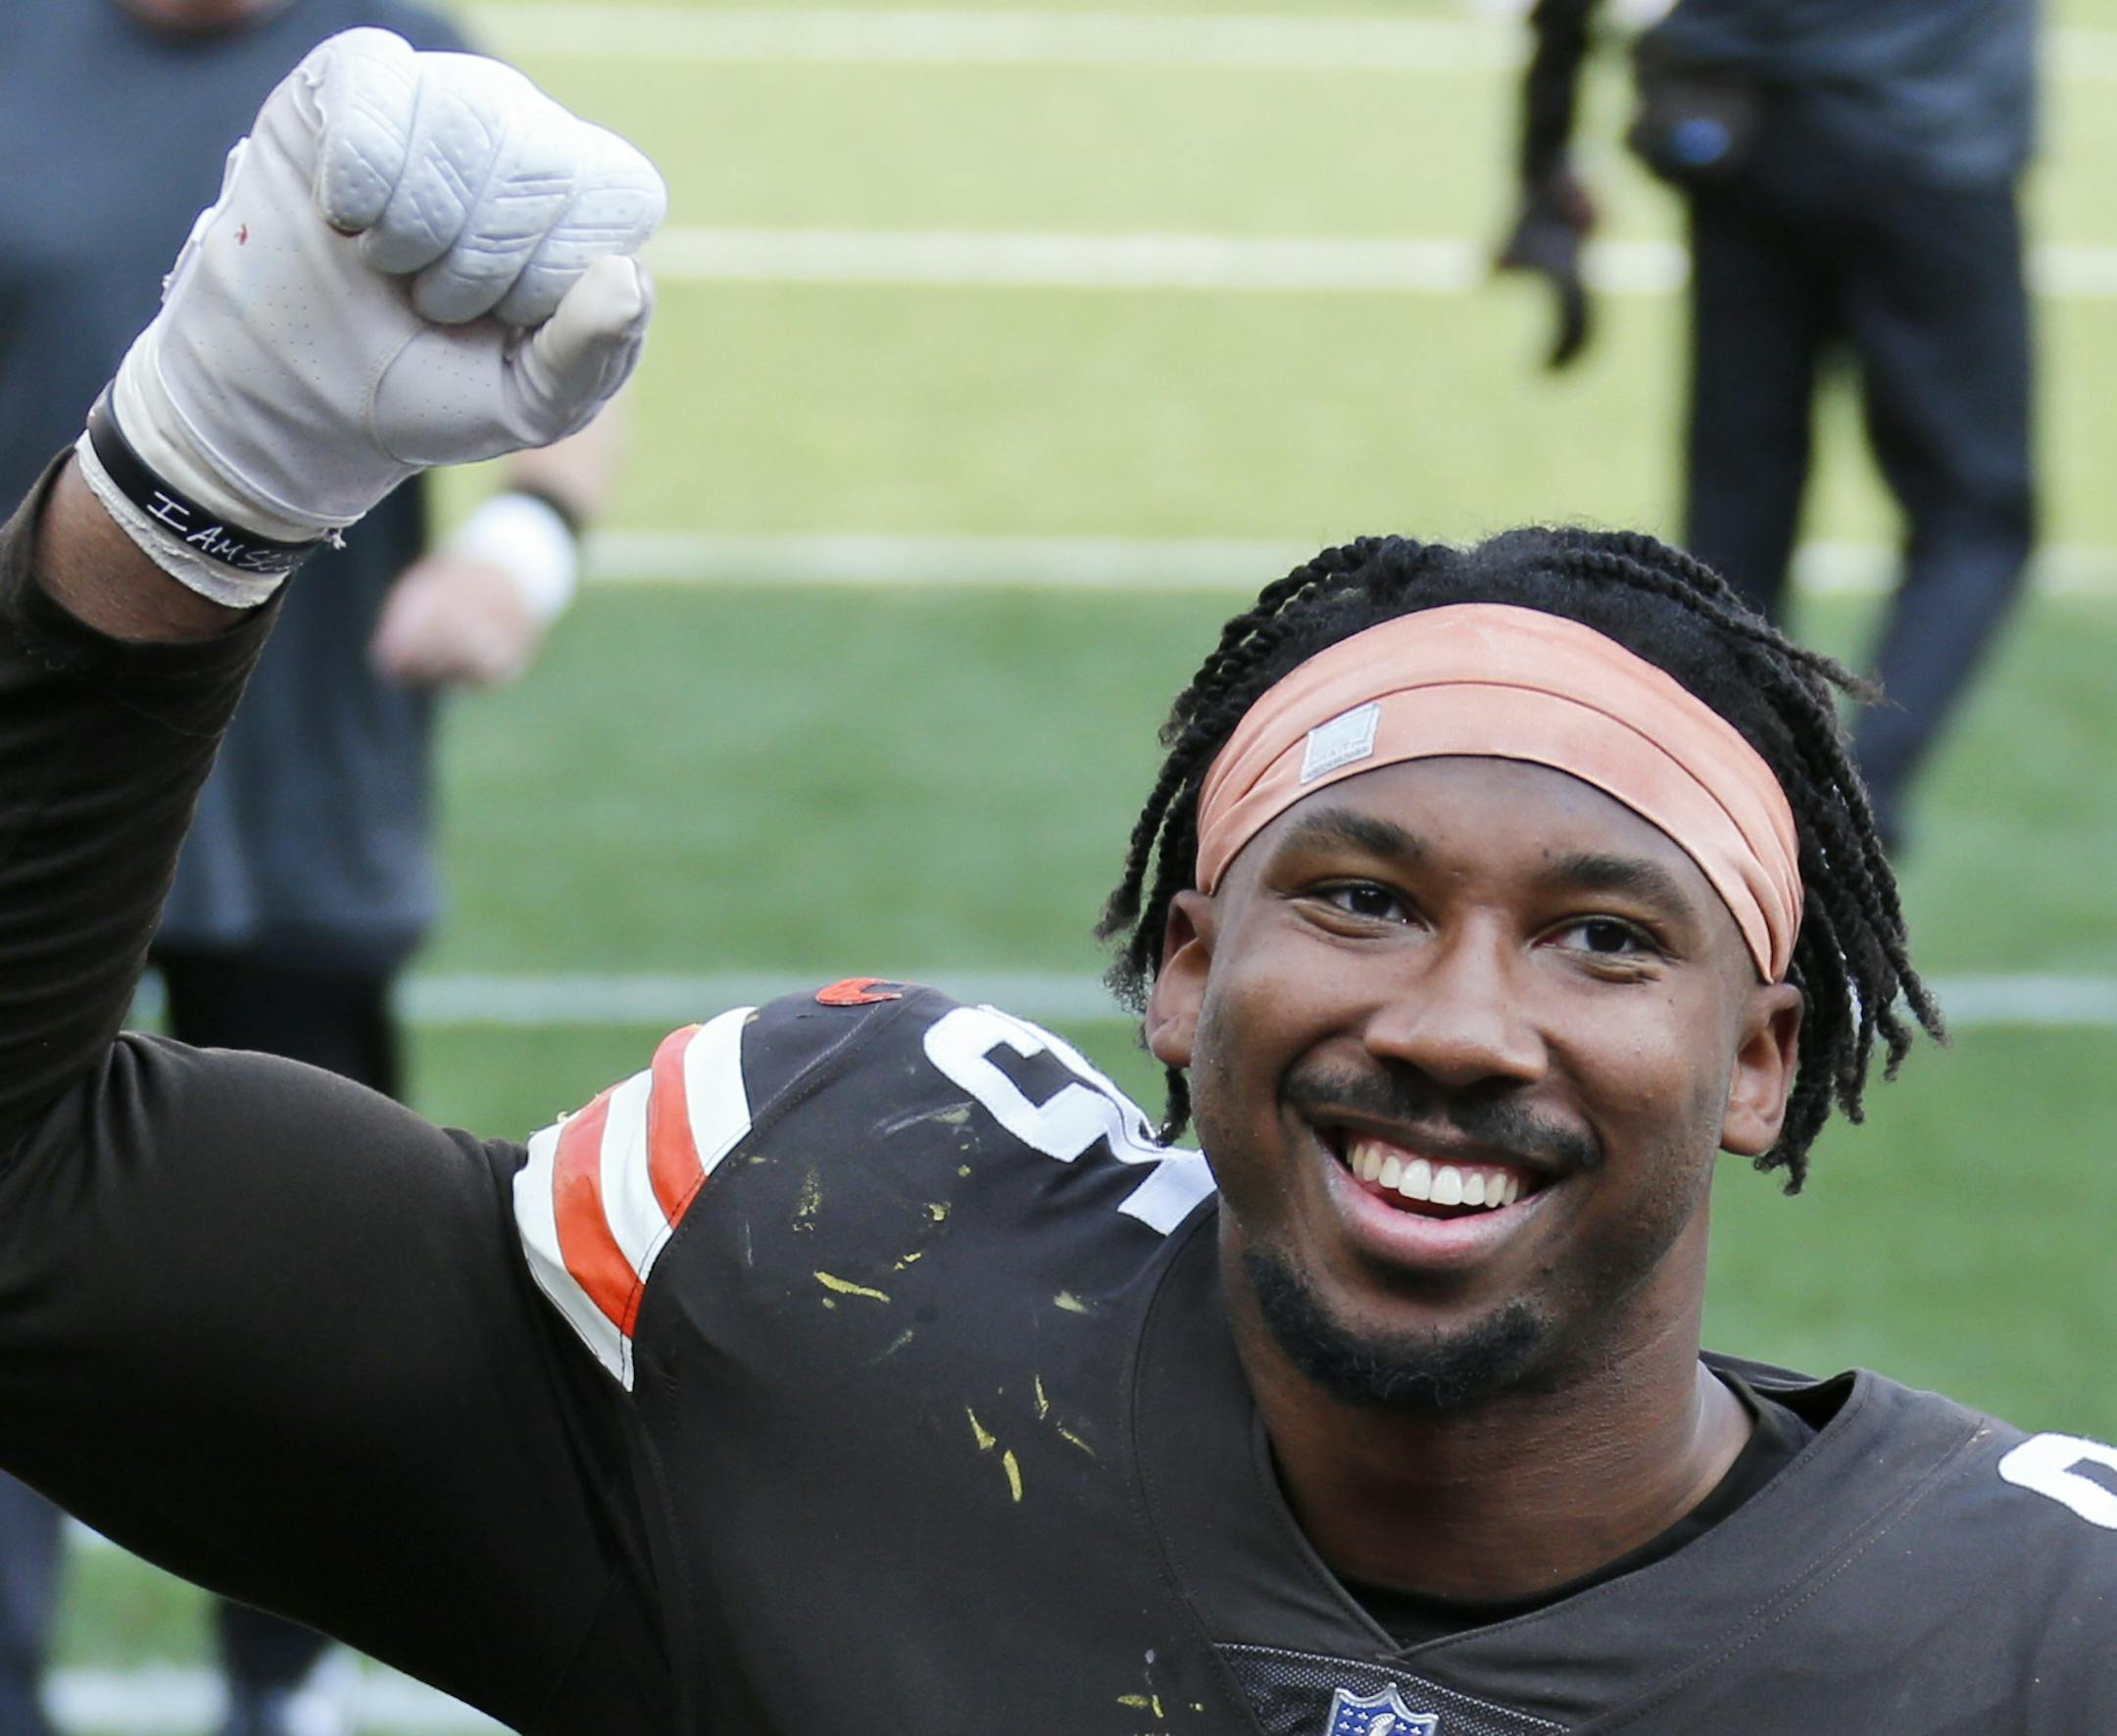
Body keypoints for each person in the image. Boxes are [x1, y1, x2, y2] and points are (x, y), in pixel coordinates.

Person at [4, 27, 2117, 1736]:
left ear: (1762, 1056)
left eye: (1601, 934)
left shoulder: (2029, 1632)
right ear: (1187, 971)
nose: (1459, 1023)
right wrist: (196, 487)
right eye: (1361, 896)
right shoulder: (833, 1302)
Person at [0, 4, 620, 1733]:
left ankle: (287, 1681)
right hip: (34, 776)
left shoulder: (404, 58)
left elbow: (582, 344)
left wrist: (521, 546)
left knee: (279, 1317)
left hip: (301, 781)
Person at [1497, 0, 2038, 851]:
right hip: (1929, 146)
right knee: (1976, 516)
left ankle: (1725, 808)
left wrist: (1542, 156)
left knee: (1736, 516)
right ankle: (1852, 814)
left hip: (1742, 135)